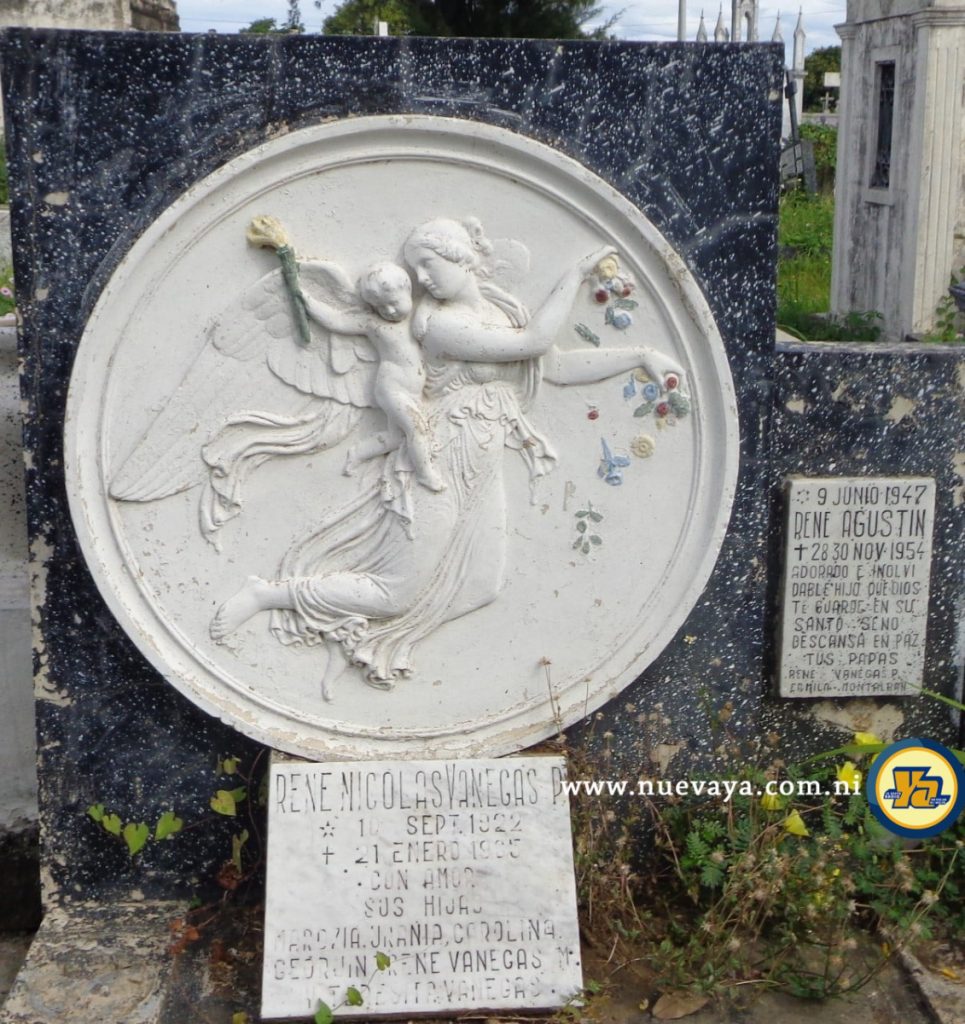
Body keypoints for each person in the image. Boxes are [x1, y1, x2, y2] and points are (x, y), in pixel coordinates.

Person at [211, 217, 683, 700]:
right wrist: (575, 275)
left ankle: (377, 640)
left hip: (481, 464)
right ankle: (267, 594)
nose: (423, 280)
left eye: (429, 265)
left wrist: (641, 355)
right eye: (415, 270)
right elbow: (532, 342)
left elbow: (554, 364)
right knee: (396, 592)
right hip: (440, 458)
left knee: (482, 583)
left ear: (460, 257)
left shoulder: (501, 311)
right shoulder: (440, 324)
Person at [300, 260, 445, 492]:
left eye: (393, 303)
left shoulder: (418, 313)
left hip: (414, 390)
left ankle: (358, 453)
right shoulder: (372, 324)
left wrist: (425, 310)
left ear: (408, 291)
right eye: (381, 307)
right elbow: (337, 321)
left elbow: (433, 299)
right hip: (392, 388)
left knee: (396, 438)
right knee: (418, 429)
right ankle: (426, 473)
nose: (388, 311)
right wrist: (307, 300)